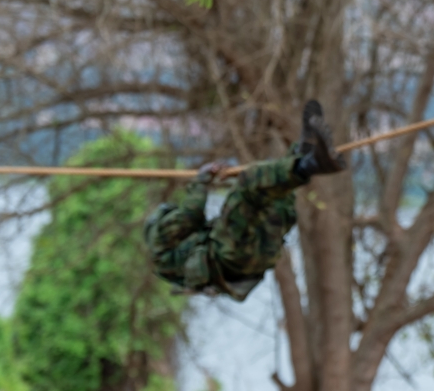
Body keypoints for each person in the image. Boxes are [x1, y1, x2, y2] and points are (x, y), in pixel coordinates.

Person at [143, 100, 344, 299]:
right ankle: (309, 163)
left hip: (257, 260)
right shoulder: (160, 238)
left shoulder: (172, 262)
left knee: (274, 196)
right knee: (251, 183)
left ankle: (304, 155)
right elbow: (190, 214)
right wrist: (202, 180)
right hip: (229, 255)